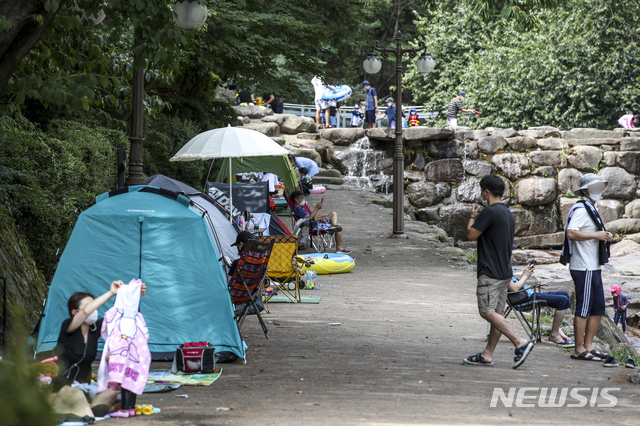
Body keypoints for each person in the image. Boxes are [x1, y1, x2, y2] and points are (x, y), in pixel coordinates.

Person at [464, 175, 533, 369]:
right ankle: (487, 354)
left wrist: (472, 216)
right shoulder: (507, 213)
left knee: (486, 311)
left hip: (490, 272)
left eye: (482, 192)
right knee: (498, 314)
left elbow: (470, 235)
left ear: (486, 192)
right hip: (504, 272)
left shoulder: (490, 212)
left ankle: (519, 341)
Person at [55, 280, 146, 417]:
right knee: (74, 394)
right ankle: (98, 409)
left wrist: (132, 294)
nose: (93, 309)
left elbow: (121, 315)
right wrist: (111, 293)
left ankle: (91, 408)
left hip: (86, 388)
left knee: (112, 392)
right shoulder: (68, 326)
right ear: (75, 312)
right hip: (64, 387)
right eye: (90, 305)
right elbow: (85, 312)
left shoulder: (96, 328)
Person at [560, 173, 612, 362]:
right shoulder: (582, 208)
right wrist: (596, 236)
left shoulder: (591, 207)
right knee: (583, 307)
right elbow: (571, 233)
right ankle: (579, 349)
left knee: (597, 307)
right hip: (584, 267)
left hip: (593, 265)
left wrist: (603, 235)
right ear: (584, 191)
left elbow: (588, 232)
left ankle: (589, 346)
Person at [508, 263, 575, 347]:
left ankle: (556, 329)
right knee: (563, 300)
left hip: (528, 295)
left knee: (564, 294)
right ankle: (554, 335)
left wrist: (525, 272)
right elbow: (514, 288)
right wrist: (525, 275)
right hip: (525, 299)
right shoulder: (501, 271)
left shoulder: (503, 267)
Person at [290, 190, 350, 254]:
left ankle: (334, 226)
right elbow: (310, 218)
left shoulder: (301, 208)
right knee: (338, 227)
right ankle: (339, 248)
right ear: (296, 200)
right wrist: (317, 208)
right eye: (301, 198)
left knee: (333, 213)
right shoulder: (297, 209)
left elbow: (308, 218)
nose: (303, 199)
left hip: (316, 223)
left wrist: (319, 219)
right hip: (313, 227)